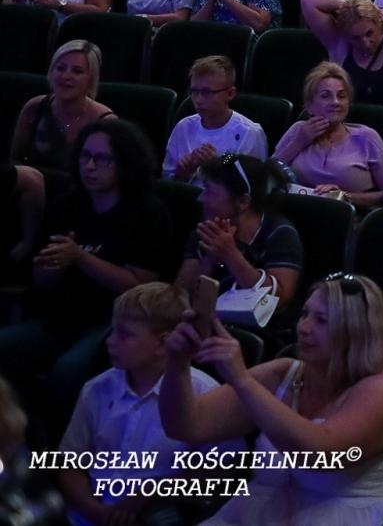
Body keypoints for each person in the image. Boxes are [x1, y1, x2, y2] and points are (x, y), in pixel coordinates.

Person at [158, 271, 383, 525]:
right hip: (257, 515)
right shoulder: (283, 373)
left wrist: (242, 380)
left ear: (357, 331)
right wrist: (177, 364)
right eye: (304, 314)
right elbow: (186, 426)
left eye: (321, 320)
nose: (303, 328)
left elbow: (323, 456)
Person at [0, 121, 170, 425]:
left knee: (68, 371)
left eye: (102, 159)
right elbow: (41, 283)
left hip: (109, 323)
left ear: (124, 163)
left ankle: (61, 440)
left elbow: (140, 286)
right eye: (85, 157)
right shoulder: (67, 206)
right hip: (57, 319)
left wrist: (80, 257)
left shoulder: (148, 213)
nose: (90, 166)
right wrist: (50, 268)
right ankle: (18, 430)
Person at [57, 283, 230, 526]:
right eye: (112, 331)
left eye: (124, 334)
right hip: (89, 513)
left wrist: (152, 493)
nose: (110, 341)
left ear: (163, 343)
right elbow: (70, 463)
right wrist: (92, 508)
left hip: (164, 515)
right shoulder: (96, 388)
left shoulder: (204, 392)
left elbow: (220, 469)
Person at [174, 154, 302, 310]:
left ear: (243, 202)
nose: (200, 198)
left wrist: (230, 255)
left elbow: (279, 300)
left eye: (209, 190)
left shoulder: (280, 234)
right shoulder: (207, 229)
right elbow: (180, 296)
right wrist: (210, 259)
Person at [273, 62, 383, 209]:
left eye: (341, 96)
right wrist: (299, 142)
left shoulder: (368, 137)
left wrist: (344, 196)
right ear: (309, 105)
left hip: (352, 217)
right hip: (295, 212)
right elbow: (268, 175)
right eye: (326, 96)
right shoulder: (298, 130)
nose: (335, 102)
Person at [165, 55, 269, 180]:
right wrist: (183, 174)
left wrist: (217, 167)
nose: (198, 100)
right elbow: (167, 181)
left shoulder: (249, 133)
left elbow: (252, 186)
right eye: (194, 91)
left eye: (207, 93)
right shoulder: (183, 127)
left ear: (230, 94)